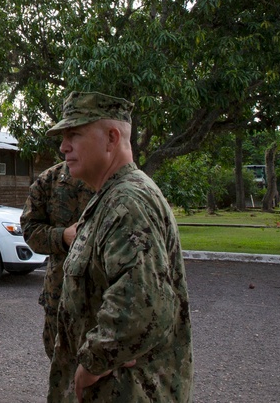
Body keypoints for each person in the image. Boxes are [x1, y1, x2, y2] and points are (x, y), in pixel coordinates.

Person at [45, 92, 193, 403]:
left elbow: (139, 304)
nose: (63, 147)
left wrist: (94, 362)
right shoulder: (110, 196)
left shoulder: (128, 202)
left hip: (127, 390)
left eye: (75, 134)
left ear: (112, 138)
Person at [20, 160, 94, 359]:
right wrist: (62, 236)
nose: (66, 145)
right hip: (59, 292)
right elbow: (29, 228)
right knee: (59, 359)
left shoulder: (114, 180)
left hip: (103, 299)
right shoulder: (50, 179)